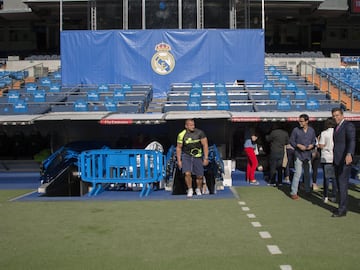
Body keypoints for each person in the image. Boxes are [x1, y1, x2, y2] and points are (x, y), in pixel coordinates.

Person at [331, 108, 356, 217]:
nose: (335, 117)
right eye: (334, 116)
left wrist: (349, 153)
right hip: (337, 159)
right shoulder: (336, 127)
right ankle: (342, 207)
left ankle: (342, 209)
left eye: (337, 115)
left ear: (342, 115)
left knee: (342, 184)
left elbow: (352, 140)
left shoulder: (348, 125)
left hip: (345, 160)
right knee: (339, 185)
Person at [176, 119, 209, 198]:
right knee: (187, 173)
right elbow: (179, 148)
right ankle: (190, 189)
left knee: (199, 176)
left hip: (198, 156)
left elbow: (205, 145)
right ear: (186, 126)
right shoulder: (181, 134)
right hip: (186, 156)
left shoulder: (200, 133)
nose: (192, 126)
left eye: (193, 125)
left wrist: (206, 158)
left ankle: (198, 188)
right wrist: (179, 160)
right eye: (190, 125)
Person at [289, 114, 316, 200]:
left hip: (308, 155)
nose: (300, 122)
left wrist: (312, 145)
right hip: (298, 154)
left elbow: (314, 141)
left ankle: (307, 190)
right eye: (299, 121)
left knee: (308, 174)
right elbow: (291, 141)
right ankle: (293, 192)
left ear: (307, 121)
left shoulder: (311, 130)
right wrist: (298, 145)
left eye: (301, 121)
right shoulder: (295, 130)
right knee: (297, 174)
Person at [318, 117, 337, 203]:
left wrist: (319, 142)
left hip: (326, 157)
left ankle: (325, 196)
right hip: (335, 157)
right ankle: (334, 196)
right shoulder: (337, 132)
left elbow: (321, 145)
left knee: (327, 178)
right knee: (334, 178)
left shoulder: (324, 133)